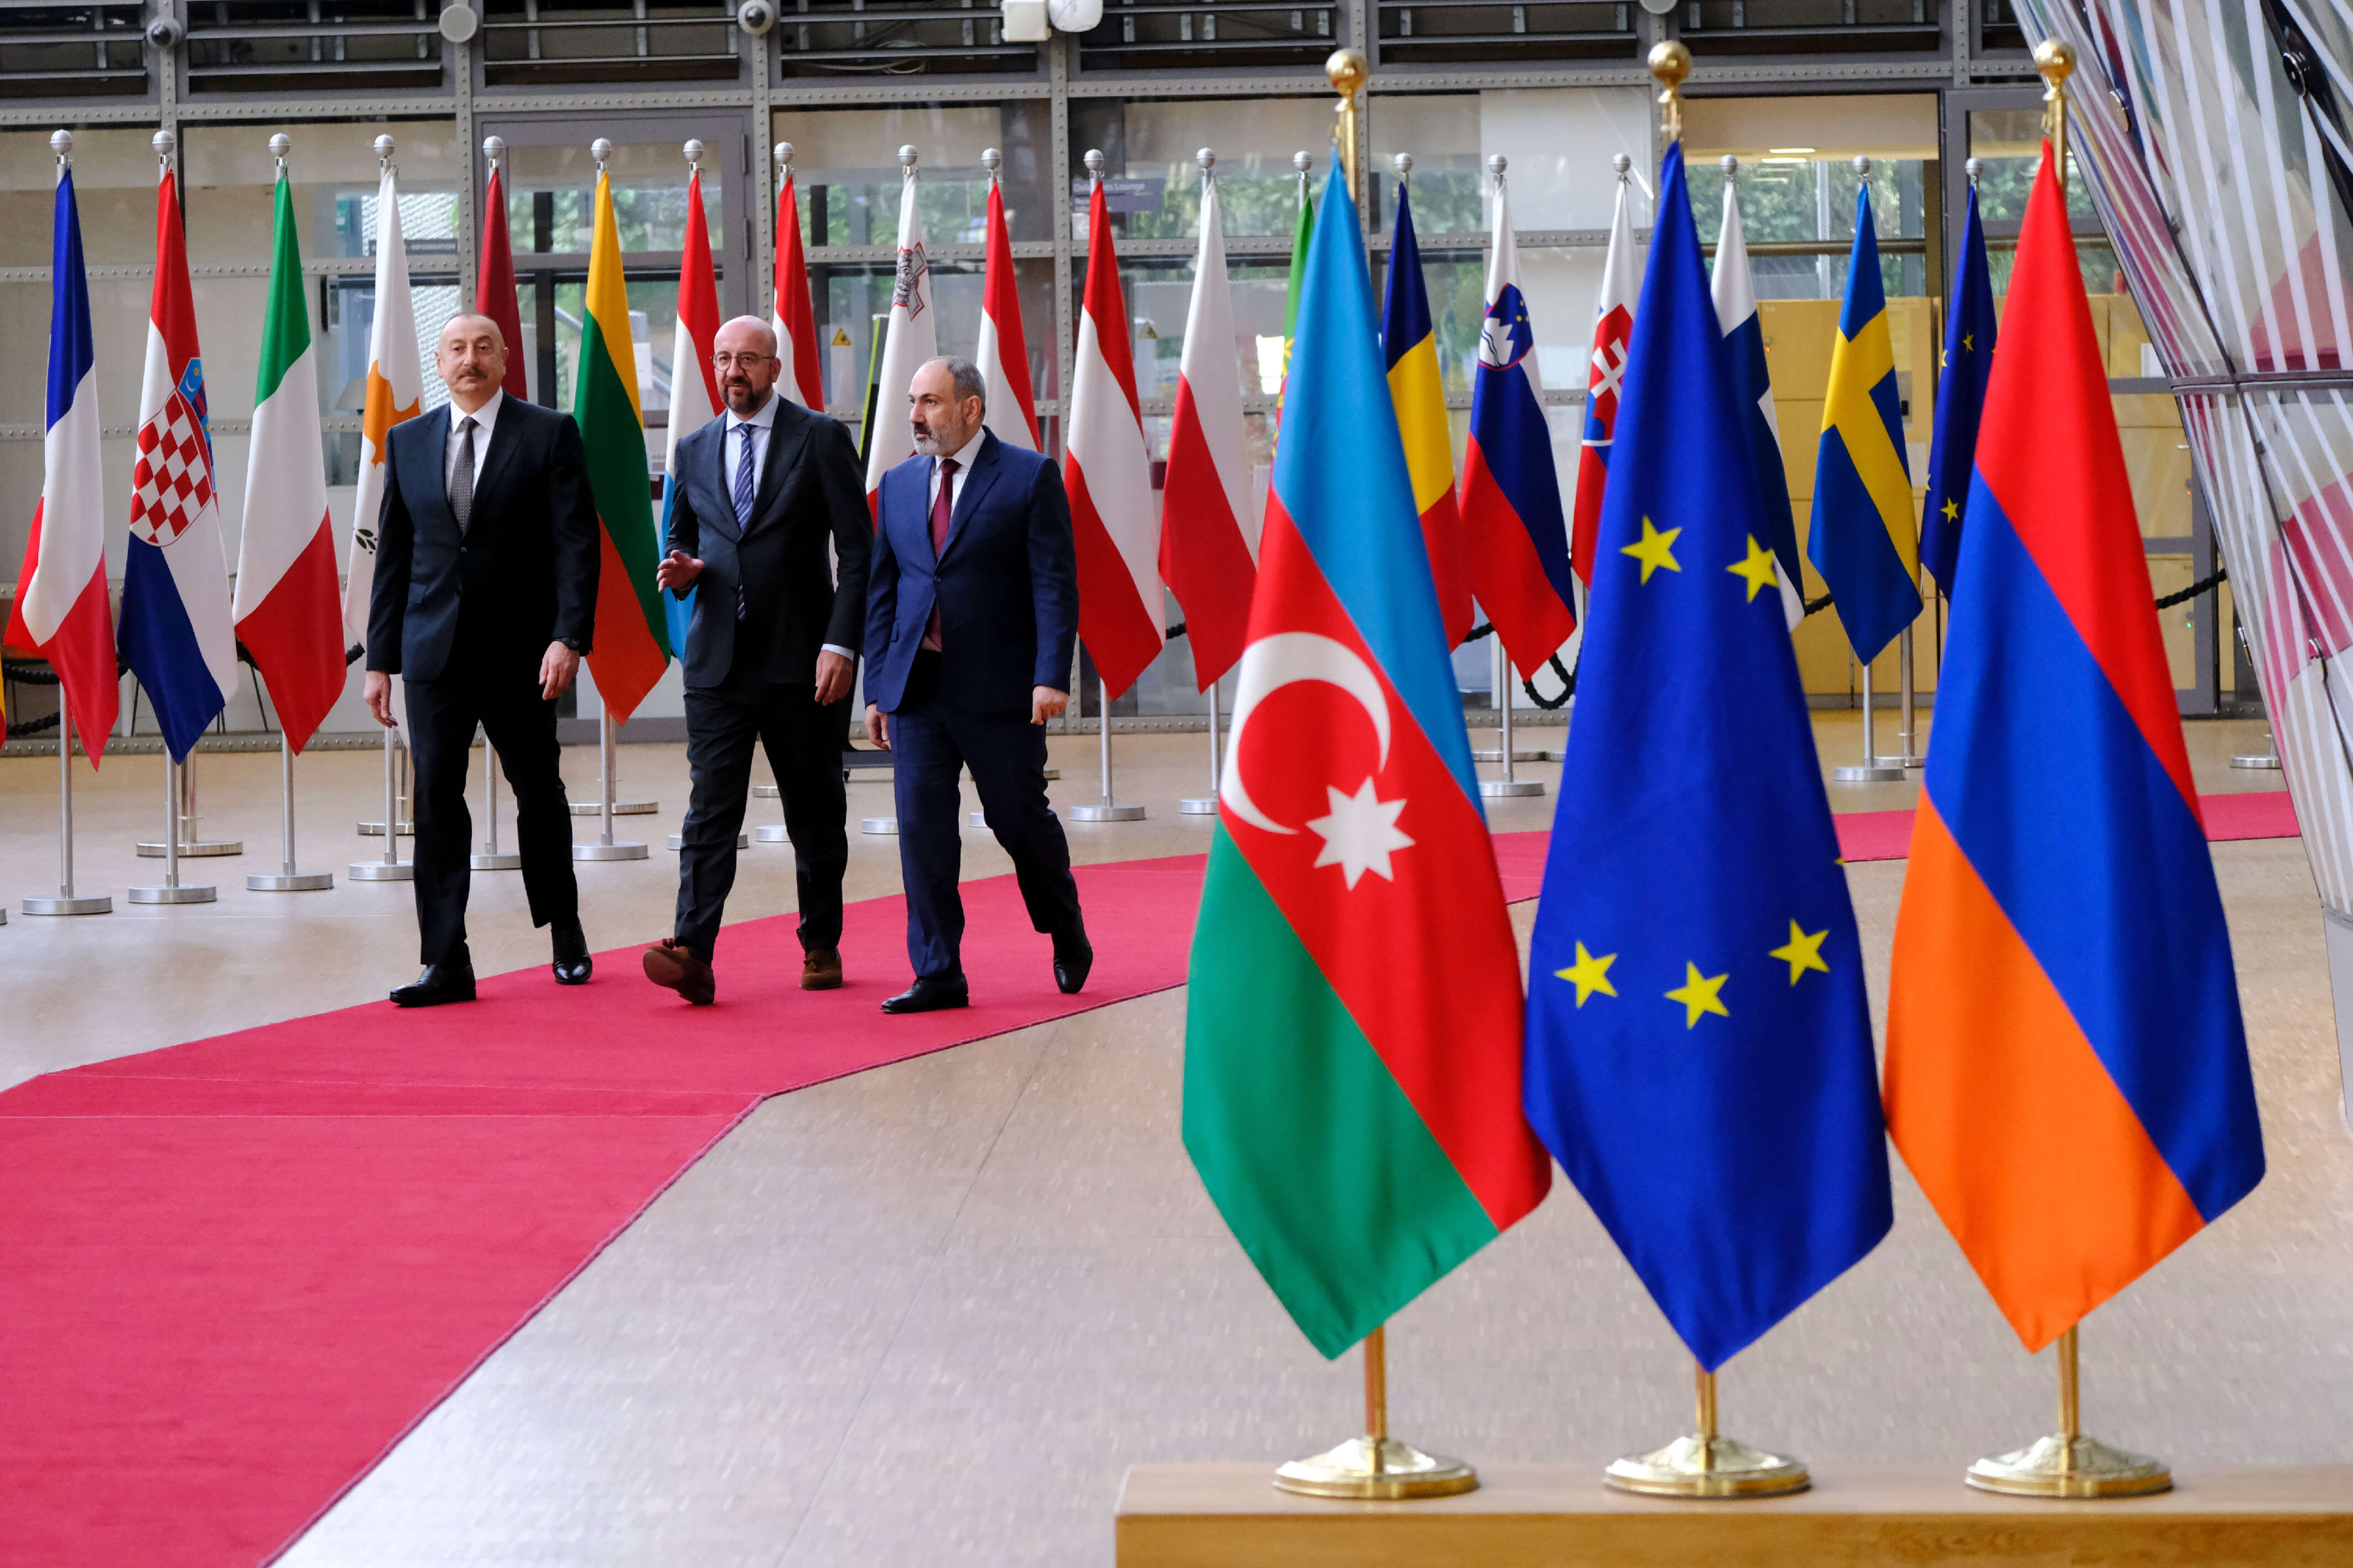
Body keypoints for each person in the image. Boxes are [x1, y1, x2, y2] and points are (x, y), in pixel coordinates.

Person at [364, 313, 599, 1007]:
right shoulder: (407, 441)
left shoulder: (548, 432)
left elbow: (575, 545)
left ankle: (565, 929)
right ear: (440, 363)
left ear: (504, 359)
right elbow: (394, 562)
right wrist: (379, 661)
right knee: (435, 799)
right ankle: (445, 961)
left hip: (523, 653)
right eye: (457, 349)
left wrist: (569, 637)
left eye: (483, 348)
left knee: (538, 793)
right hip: (431, 652)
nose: (471, 360)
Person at [641, 316, 871, 1006]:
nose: (733, 371)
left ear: (775, 368)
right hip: (717, 664)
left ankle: (821, 942)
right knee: (710, 810)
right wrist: (681, 569)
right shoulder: (692, 447)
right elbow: (681, 540)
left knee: (814, 812)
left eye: (747, 359)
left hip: (803, 661)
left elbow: (857, 552)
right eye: (722, 360)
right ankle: (693, 950)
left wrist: (841, 645)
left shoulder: (822, 439)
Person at [864, 356, 1090, 1013]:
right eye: (912, 402)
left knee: (1017, 820)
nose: (915, 416)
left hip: (1001, 691)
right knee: (921, 829)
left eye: (930, 402)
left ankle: (1063, 925)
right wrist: (877, 688)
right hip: (918, 690)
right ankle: (938, 971)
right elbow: (885, 592)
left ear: (970, 408)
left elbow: (1054, 584)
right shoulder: (899, 484)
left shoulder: (1028, 476)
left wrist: (1050, 676)